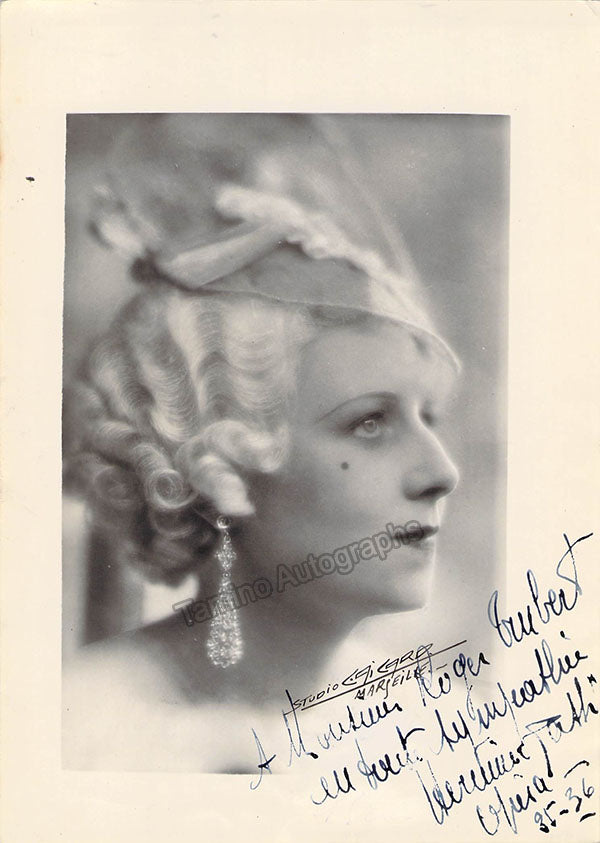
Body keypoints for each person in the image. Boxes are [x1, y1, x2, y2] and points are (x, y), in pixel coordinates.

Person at [62, 115, 459, 772]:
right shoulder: (73, 730)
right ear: (220, 465)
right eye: (369, 423)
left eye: (430, 417)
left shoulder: (441, 733)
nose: (441, 473)